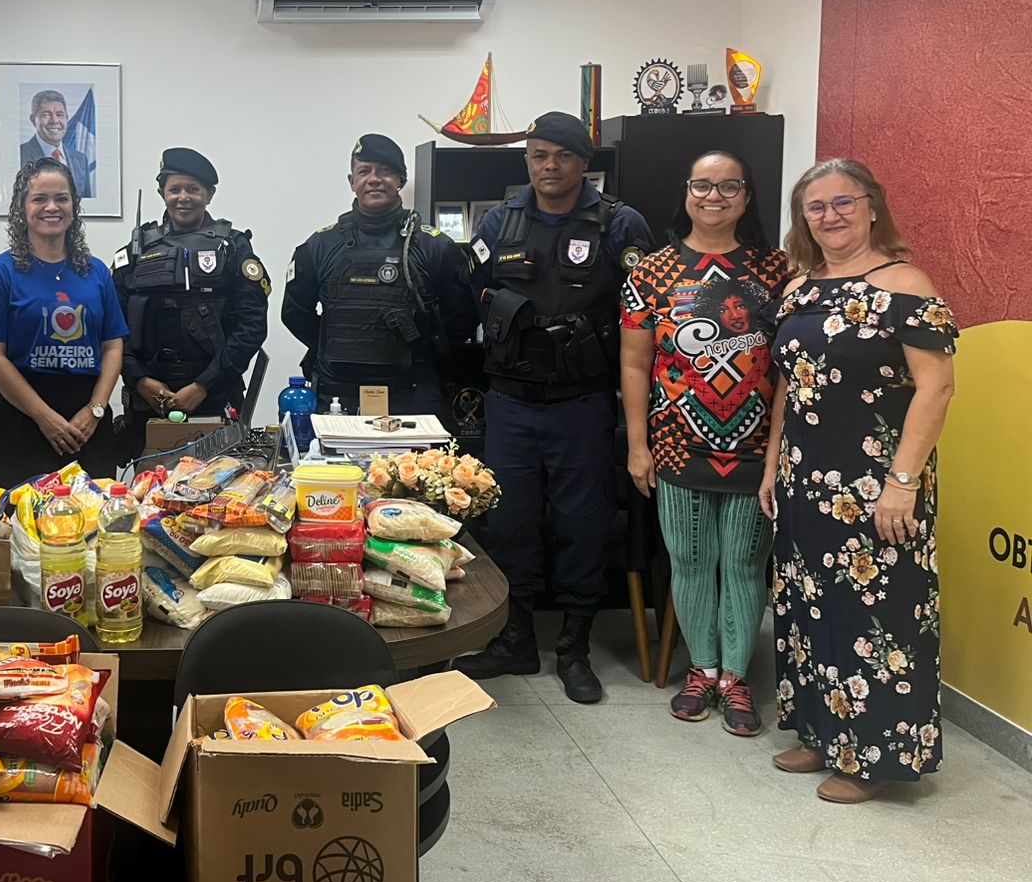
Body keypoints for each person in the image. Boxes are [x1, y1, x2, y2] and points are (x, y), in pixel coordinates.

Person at [759, 159, 956, 804]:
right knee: (811, 608)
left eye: (844, 202)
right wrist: (771, 467)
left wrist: (903, 481)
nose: (830, 216)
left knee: (876, 616)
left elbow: (937, 386)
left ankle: (872, 757)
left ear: (873, 206)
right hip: (803, 477)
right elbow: (789, 383)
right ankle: (820, 731)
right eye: (815, 207)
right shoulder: (799, 287)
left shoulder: (907, 285)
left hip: (877, 482)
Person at [455, 111, 654, 703]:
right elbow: (473, 291)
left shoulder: (620, 224)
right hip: (512, 399)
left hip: (581, 402)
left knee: (582, 524)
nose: (549, 167)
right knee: (510, 523)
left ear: (583, 162)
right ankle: (515, 638)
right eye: (538, 155)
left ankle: (574, 647)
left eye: (561, 156)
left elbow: (643, 313)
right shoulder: (501, 219)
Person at [620, 151, 789, 734]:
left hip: (756, 451)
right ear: (686, 191)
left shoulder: (779, 271)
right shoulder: (650, 272)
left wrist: (778, 451)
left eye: (728, 187)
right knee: (689, 562)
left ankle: (737, 681)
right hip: (675, 446)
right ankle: (703, 669)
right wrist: (637, 447)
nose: (713, 196)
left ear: (747, 197)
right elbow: (636, 366)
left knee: (745, 563)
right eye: (702, 185)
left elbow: (790, 369)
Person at [281, 133, 478, 419]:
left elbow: (463, 319)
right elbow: (294, 313)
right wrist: (336, 347)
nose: (374, 179)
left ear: (401, 180)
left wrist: (418, 350)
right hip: (338, 398)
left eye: (385, 171)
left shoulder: (435, 246)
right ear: (352, 182)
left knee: (418, 467)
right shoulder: (319, 245)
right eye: (364, 171)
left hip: (412, 396)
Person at [0, 157, 127, 486]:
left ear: (74, 205)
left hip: (88, 424)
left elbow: (113, 345)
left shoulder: (97, 271)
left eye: (61, 198)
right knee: (20, 530)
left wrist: (96, 409)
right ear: (21, 207)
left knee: (93, 525)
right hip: (22, 421)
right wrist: (45, 419)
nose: (51, 207)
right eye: (39, 199)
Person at [112, 147, 270, 461]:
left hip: (214, 394)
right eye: (175, 189)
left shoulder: (233, 247)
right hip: (147, 399)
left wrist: (203, 386)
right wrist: (140, 381)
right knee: (147, 489)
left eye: (193, 189)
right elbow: (113, 330)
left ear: (209, 194)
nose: (183, 197)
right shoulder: (134, 252)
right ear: (162, 193)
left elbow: (251, 327)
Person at [18, 89, 92, 197]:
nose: (54, 120)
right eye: (46, 114)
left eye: (60, 114)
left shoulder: (81, 160)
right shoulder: (20, 155)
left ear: (67, 118)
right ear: (33, 120)